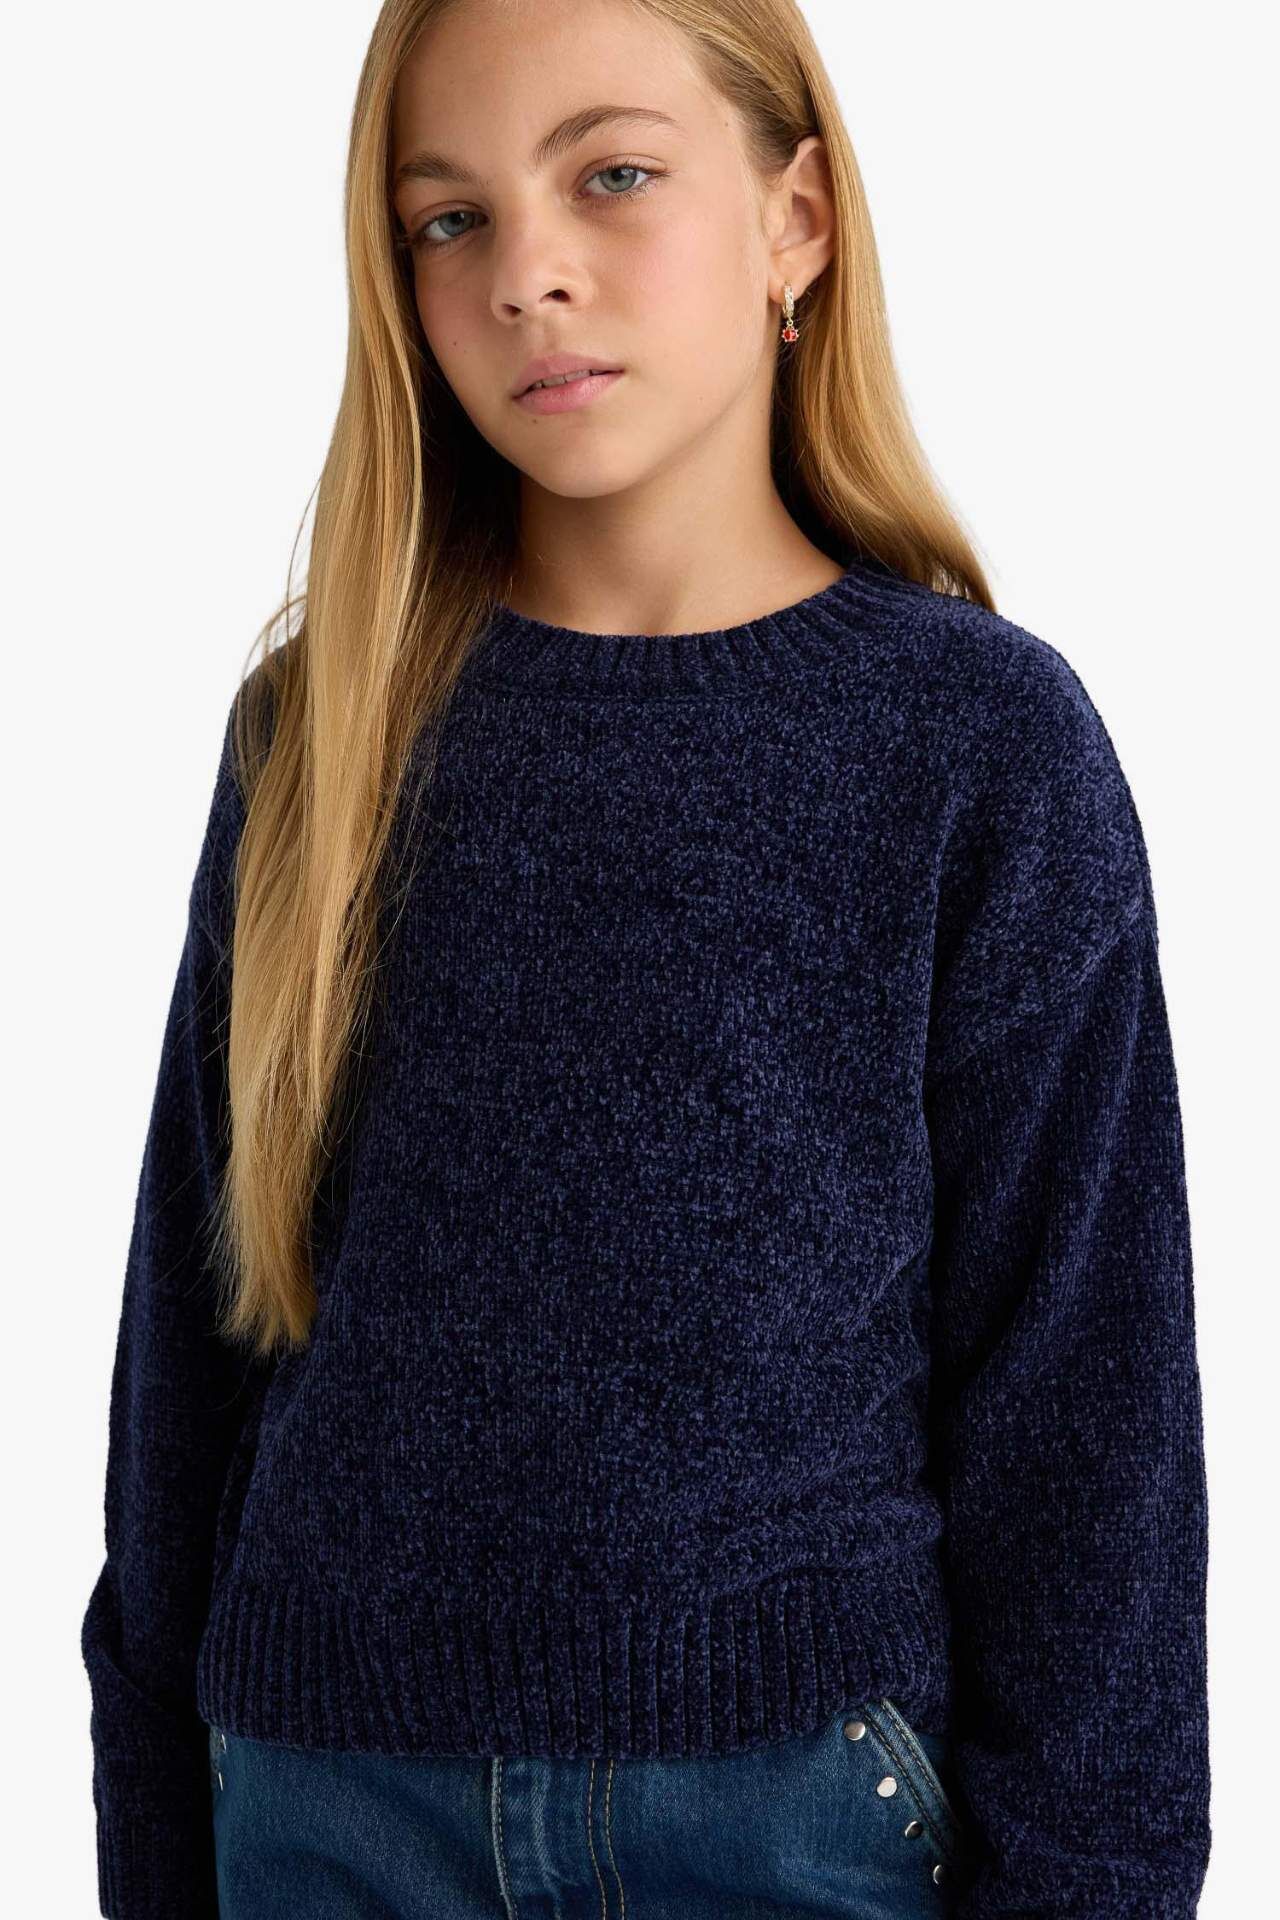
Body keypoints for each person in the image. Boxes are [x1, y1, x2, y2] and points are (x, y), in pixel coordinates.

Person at [79, 1, 1212, 1915]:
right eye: (448, 217)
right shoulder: (320, 731)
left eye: (611, 175)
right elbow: (186, 1361)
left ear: (796, 222)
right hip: (326, 1811)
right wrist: (147, 1840)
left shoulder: (975, 747)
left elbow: (1089, 1416)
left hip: (794, 1819)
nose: (525, 271)